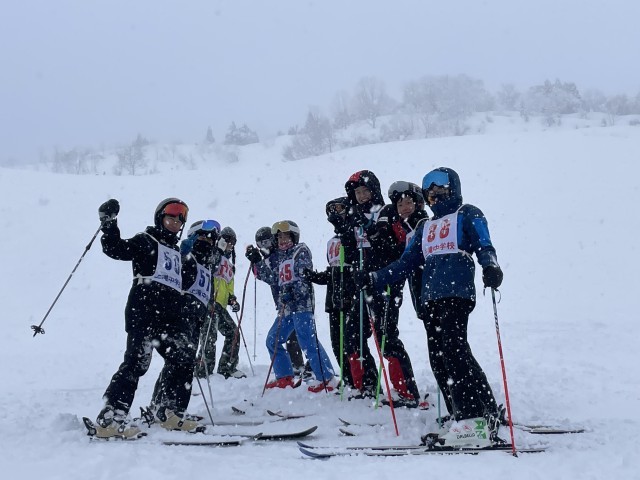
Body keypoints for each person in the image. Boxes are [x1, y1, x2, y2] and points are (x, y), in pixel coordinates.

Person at [355, 167, 505, 447]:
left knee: (453, 351)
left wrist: (490, 266)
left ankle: (472, 421)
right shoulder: (425, 227)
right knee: (441, 357)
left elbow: (484, 245)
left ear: (453, 189)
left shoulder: (466, 213)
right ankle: (476, 411)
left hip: (456, 292)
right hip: (431, 298)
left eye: (441, 190)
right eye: (431, 193)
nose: (436, 196)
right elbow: (405, 264)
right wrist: (374, 278)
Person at [94, 197, 201, 438]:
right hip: (144, 311)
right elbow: (116, 249)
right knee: (137, 363)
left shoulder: (176, 251)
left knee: (183, 359)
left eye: (179, 221)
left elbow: (186, 281)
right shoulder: (146, 240)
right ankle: (111, 418)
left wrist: (188, 258)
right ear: (160, 218)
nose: (175, 223)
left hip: (170, 317)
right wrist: (109, 223)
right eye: (170, 218)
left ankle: (170, 412)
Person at [346, 172, 421, 407]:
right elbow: (351, 249)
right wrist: (346, 229)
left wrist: (372, 230)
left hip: (387, 280)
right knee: (353, 333)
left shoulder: (387, 210)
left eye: (365, 191)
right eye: (357, 193)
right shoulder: (354, 214)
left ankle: (406, 391)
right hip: (365, 281)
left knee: (386, 335)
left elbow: (395, 245)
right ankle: (367, 384)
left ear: (374, 190)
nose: (361, 196)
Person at [247, 220, 336, 392]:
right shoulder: (281, 257)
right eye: (279, 237)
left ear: (294, 237)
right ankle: (284, 377)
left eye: (286, 236)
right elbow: (273, 278)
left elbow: (303, 276)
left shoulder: (299, 251)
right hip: (287, 308)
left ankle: (327, 379)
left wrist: (293, 292)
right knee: (273, 340)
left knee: (307, 340)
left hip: (301, 305)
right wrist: (256, 262)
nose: (282, 240)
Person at [148, 219, 222, 420]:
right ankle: (168, 409)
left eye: (211, 238)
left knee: (183, 363)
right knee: (180, 361)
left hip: (196, 317)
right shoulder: (187, 254)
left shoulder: (208, 261)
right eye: (203, 237)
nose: (207, 241)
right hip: (182, 314)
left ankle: (163, 407)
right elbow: (178, 275)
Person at [302, 197, 356, 389]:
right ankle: (348, 378)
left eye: (339, 209)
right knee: (337, 343)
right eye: (331, 210)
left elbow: (353, 260)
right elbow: (332, 271)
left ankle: (359, 380)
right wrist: (313, 276)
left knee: (351, 342)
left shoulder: (354, 234)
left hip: (349, 294)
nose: (335, 213)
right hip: (333, 297)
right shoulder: (331, 242)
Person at [247, 226, 310, 380]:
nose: (265, 246)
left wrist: (259, 263)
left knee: (298, 335)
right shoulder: (268, 258)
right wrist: (255, 261)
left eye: (267, 241)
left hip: (294, 302)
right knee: (285, 337)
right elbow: (263, 276)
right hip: (283, 303)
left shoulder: (279, 255)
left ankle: (303, 366)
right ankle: (295, 367)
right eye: (261, 243)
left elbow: (275, 278)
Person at [196, 226, 247, 379]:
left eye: (233, 242)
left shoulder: (230, 266)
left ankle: (227, 367)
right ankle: (203, 369)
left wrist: (232, 299)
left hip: (221, 305)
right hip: (209, 301)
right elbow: (208, 266)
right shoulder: (212, 253)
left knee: (233, 333)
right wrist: (218, 250)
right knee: (209, 336)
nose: (230, 244)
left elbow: (229, 285)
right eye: (227, 240)